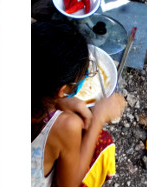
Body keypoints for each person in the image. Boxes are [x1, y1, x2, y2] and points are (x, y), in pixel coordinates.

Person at [30, 21, 127, 187]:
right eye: (81, 76)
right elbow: (69, 185)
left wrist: (60, 101)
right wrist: (99, 118)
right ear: (62, 89)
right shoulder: (66, 126)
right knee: (102, 140)